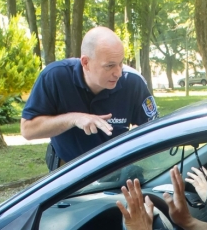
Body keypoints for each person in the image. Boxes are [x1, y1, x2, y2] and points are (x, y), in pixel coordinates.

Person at [21, 27, 158, 170]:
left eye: (120, 63)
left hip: (116, 170)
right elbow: (27, 130)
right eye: (110, 65)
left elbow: (154, 131)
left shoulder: (132, 82)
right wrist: (74, 119)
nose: (118, 73)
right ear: (85, 62)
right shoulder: (55, 77)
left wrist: (134, 140)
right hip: (69, 172)